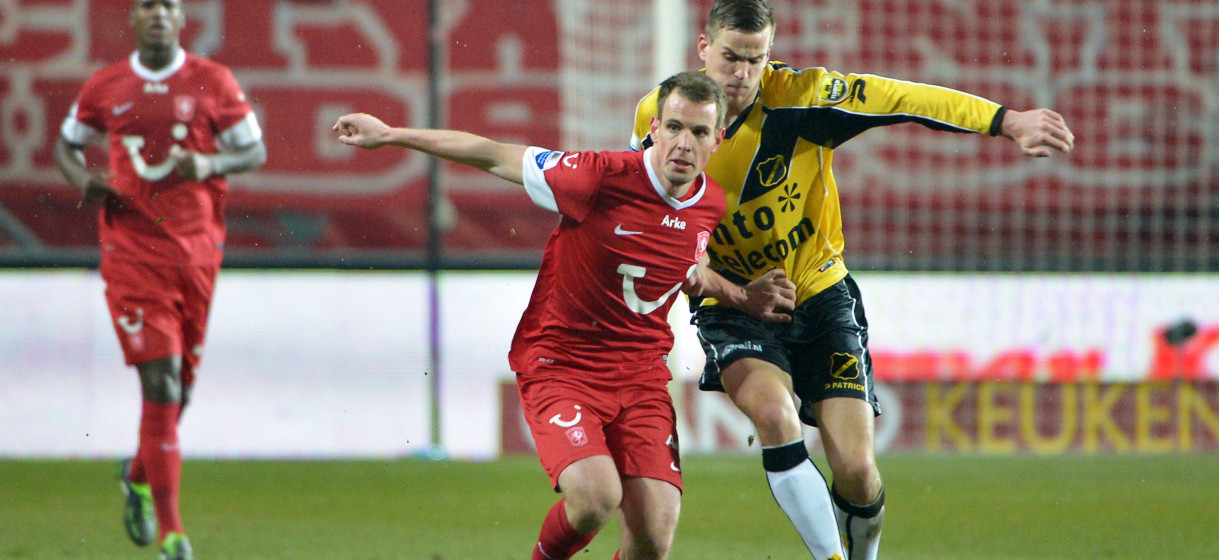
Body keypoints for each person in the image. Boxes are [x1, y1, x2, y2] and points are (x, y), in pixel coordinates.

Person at [630, 2, 1075, 559]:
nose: (742, 74)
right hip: (733, 304)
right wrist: (724, 287)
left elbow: (904, 98)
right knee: (774, 414)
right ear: (703, 47)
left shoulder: (802, 99)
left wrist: (1006, 121)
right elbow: (651, 225)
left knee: (859, 473)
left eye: (756, 59)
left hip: (819, 293)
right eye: (730, 57)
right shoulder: (663, 117)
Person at [334, 71, 793, 560]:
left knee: (654, 538)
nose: (684, 143)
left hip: (640, 377)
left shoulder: (711, 203)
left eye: (699, 132)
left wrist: (742, 297)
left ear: (717, 140)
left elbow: (689, 267)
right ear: (654, 128)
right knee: (596, 498)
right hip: (562, 365)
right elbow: (491, 152)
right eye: (675, 127)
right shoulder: (597, 175)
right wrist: (391, 135)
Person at [53, 1, 266, 558]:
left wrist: (211, 165)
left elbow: (254, 150)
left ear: (179, 18)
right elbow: (65, 144)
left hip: (196, 254)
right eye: (147, 5)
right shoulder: (106, 86)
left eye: (167, 5)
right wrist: (84, 180)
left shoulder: (212, 81)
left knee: (177, 395)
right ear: (134, 17)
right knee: (163, 385)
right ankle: (174, 532)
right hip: (131, 253)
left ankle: (139, 477)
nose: (157, 14)